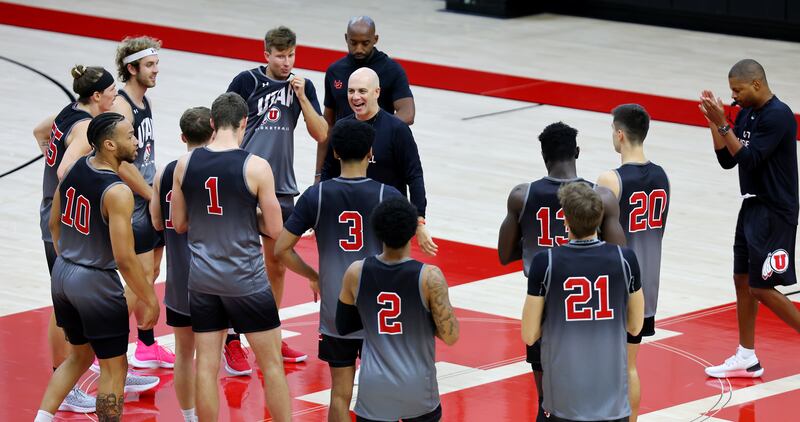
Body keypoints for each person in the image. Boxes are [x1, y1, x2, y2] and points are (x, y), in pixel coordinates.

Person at [170, 92, 291, 421]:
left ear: (212, 123)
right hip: (246, 280)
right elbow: (276, 229)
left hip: (203, 280)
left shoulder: (185, 164)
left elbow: (178, 224)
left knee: (206, 368)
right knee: (271, 367)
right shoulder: (256, 166)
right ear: (244, 123)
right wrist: (245, 216)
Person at [34, 113, 160, 422]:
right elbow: (125, 258)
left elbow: (54, 223)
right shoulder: (118, 193)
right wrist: (149, 298)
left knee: (78, 355)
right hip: (95, 284)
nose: (136, 141)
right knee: (115, 367)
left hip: (63, 274)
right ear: (109, 144)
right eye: (129, 136)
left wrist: (70, 258)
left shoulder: (76, 167)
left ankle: (41, 419)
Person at [497, 121, 626, 422]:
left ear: (543, 155)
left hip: (543, 302)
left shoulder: (521, 195)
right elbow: (619, 255)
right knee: (595, 391)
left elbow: (505, 255)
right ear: (577, 152)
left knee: (547, 401)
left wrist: (534, 247)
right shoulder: (602, 197)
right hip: (590, 304)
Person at [275, 119, 402, 422]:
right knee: (384, 393)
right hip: (381, 310)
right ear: (371, 152)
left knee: (340, 395)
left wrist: (314, 276)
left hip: (336, 312)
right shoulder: (388, 195)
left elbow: (281, 250)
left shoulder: (315, 196)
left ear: (334, 153)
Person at [227, 25, 328, 364]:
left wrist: (301, 98)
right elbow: (226, 126)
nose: (287, 62)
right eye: (280, 56)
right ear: (266, 54)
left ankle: (271, 334)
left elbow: (321, 133)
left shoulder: (304, 86)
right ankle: (231, 338)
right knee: (239, 262)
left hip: (282, 185)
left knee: (277, 263)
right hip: (244, 183)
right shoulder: (246, 81)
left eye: (291, 55)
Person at [699, 59, 800, 378]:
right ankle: (746, 356)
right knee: (741, 280)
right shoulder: (745, 114)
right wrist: (714, 123)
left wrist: (723, 124)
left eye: (737, 90)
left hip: (775, 210)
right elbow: (727, 161)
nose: (733, 98)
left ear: (756, 84)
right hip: (752, 208)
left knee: (761, 287)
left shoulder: (779, 116)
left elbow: (750, 158)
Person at [31, 64, 117, 413]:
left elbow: (40, 131)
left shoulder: (69, 112)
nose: (115, 98)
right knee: (63, 305)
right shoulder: (83, 127)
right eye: (111, 93)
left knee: (63, 298)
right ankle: (63, 379)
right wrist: (80, 203)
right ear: (96, 96)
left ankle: (69, 367)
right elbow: (67, 170)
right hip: (62, 222)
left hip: (52, 212)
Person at [521, 182, 644, 422]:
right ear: (599, 218)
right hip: (612, 405)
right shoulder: (625, 258)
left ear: (565, 219)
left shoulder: (545, 262)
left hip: (564, 404)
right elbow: (635, 326)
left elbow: (529, 334)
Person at [338, 197, 459, 422]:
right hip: (418, 390)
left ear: (376, 230)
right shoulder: (430, 277)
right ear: (413, 232)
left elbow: (343, 326)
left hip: (374, 390)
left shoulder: (356, 272)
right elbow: (451, 336)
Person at [596, 104, 670, 421]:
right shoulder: (662, 176)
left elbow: (594, 233)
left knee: (604, 366)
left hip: (615, 288)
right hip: (648, 284)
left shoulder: (610, 179)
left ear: (620, 134)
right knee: (630, 366)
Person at [321, 68, 437, 256]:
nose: (355, 97)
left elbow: (414, 175)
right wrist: (321, 209)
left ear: (377, 92)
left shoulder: (397, 129)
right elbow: (328, 171)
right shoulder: (342, 127)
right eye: (351, 91)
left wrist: (419, 221)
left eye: (362, 91)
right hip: (353, 219)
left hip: (390, 222)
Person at [111, 35, 175, 368]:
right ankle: (108, 346)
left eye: (156, 64)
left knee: (151, 273)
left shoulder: (143, 100)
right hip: (136, 201)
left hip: (148, 193)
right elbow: (121, 165)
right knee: (138, 279)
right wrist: (153, 197)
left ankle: (146, 345)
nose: (155, 71)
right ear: (131, 67)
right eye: (149, 65)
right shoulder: (122, 108)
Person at [150, 106, 213, 422]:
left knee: (184, 355)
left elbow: (157, 223)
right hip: (214, 279)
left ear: (183, 137)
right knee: (209, 357)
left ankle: (189, 417)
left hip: (178, 281)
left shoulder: (165, 173)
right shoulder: (218, 172)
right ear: (214, 133)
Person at [319, 15, 415, 179]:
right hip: (343, 158)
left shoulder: (392, 70)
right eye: (353, 43)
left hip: (381, 156)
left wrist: (368, 133)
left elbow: (408, 113)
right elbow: (327, 124)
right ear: (346, 38)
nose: (359, 49)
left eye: (365, 43)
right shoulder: (334, 71)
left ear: (375, 39)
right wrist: (318, 173)